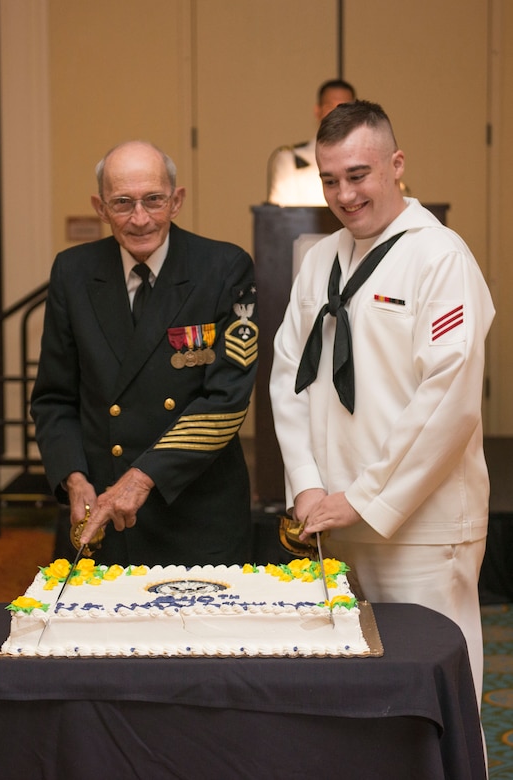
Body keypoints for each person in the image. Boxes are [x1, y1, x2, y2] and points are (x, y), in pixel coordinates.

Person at [270, 100, 495, 708]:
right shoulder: (318, 261)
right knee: (357, 700)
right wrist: (308, 486)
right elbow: (288, 377)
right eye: (330, 178)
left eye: (359, 174)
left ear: (396, 165)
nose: (344, 194)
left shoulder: (440, 257)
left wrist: (365, 497)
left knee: (432, 697)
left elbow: (447, 402)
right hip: (333, 520)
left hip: (420, 528)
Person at [31, 140, 258, 567]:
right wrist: (73, 477)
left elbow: (226, 400)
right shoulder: (73, 271)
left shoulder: (223, 267)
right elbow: (54, 397)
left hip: (197, 511)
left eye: (154, 200)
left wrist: (141, 477)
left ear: (177, 200)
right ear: (100, 207)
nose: (140, 219)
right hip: (104, 510)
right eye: (122, 203)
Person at [267, 78, 356, 206]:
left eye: (344, 107)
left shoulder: (370, 158)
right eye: (330, 107)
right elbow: (282, 218)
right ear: (317, 111)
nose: (337, 114)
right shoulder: (292, 160)